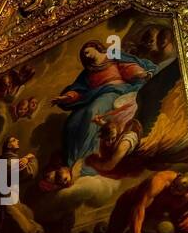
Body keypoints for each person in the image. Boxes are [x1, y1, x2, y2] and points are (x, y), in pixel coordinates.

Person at [52, 39, 160, 176]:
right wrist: (67, 97)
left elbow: (129, 68)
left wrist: (141, 73)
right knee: (72, 122)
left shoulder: (112, 56)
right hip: (96, 95)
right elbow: (79, 90)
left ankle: (83, 160)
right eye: (83, 55)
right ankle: (70, 160)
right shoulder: (88, 72)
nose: (86, 55)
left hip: (115, 91)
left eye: (86, 51)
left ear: (94, 46)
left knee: (92, 112)